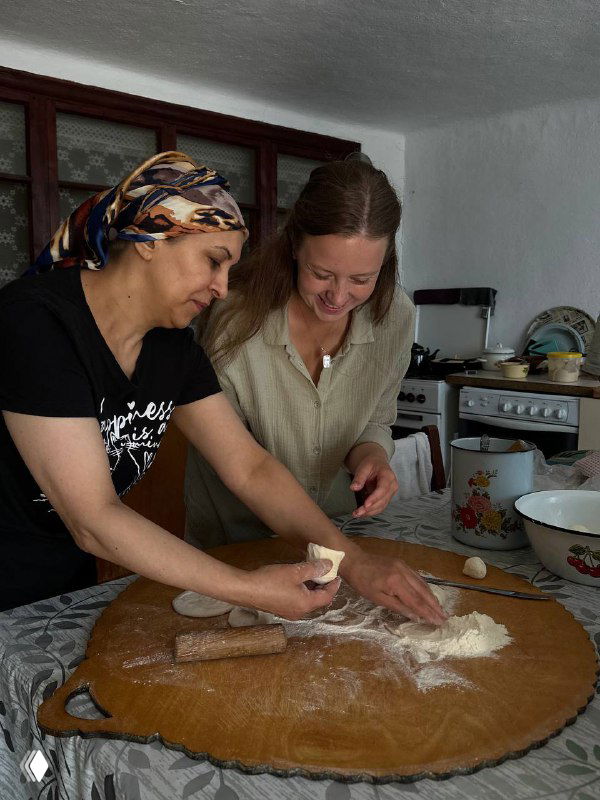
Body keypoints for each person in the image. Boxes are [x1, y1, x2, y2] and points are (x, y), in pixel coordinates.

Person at [0, 151, 445, 626]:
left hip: (60, 581)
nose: (223, 288)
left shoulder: (171, 349)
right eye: (214, 261)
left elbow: (250, 467)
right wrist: (246, 588)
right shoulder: (36, 324)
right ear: (150, 239)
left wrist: (352, 561)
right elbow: (93, 517)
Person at [186, 159, 413, 546]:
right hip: (238, 540)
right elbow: (240, 461)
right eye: (322, 274)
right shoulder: (233, 317)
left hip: (339, 530)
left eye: (362, 279)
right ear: (293, 244)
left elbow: (376, 419)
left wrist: (371, 457)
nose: (339, 297)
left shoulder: (394, 318)